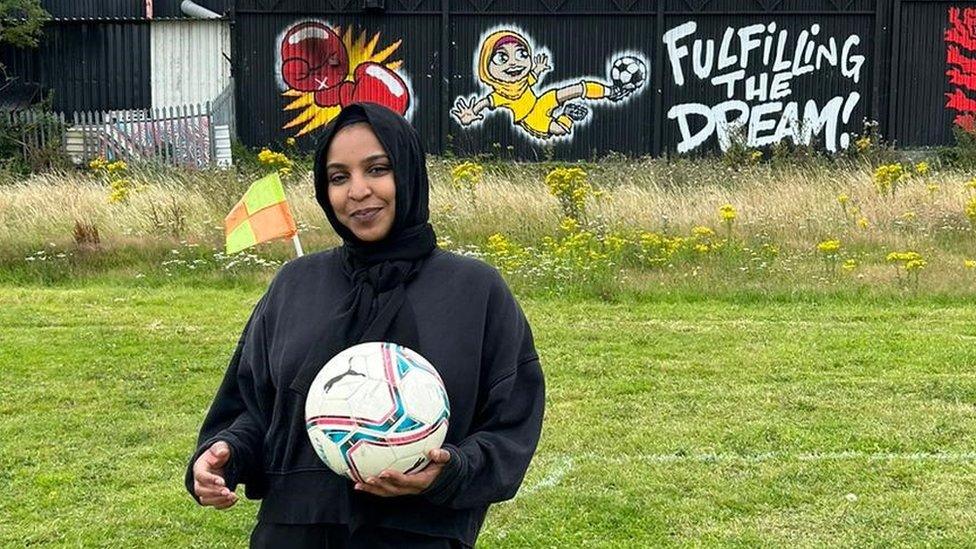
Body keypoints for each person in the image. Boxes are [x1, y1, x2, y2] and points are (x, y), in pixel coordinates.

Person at [185, 102, 546, 548]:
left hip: (419, 535)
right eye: (339, 177)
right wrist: (224, 455)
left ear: (409, 172)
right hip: (292, 533)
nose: (357, 191)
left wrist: (450, 470)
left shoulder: (475, 291)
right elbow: (252, 408)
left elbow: (512, 423)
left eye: (377, 169)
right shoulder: (295, 285)